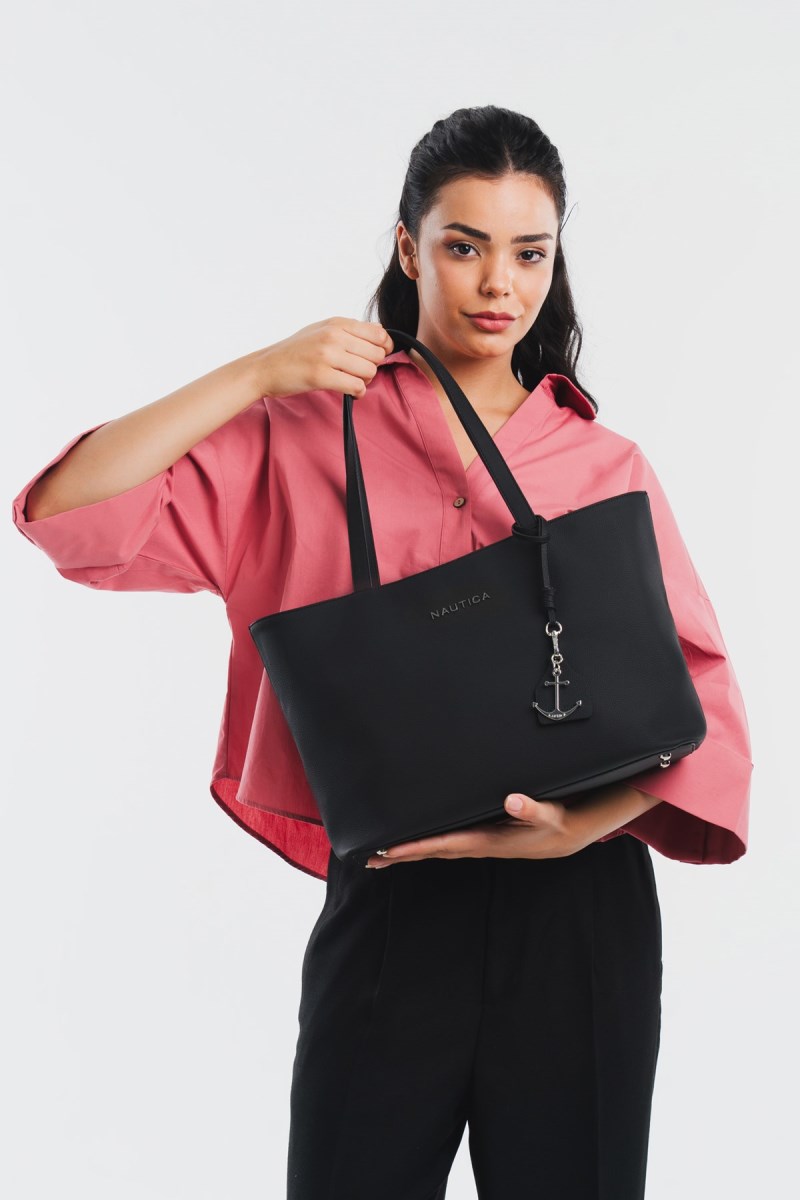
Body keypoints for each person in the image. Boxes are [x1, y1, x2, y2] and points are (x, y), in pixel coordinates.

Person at [11, 105, 753, 1199]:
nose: (497, 284)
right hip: (391, 900)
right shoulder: (304, 434)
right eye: (464, 245)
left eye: (529, 253)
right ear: (408, 248)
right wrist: (258, 373)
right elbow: (70, 513)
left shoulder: (604, 463)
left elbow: (700, 708)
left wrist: (576, 830)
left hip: (578, 912)